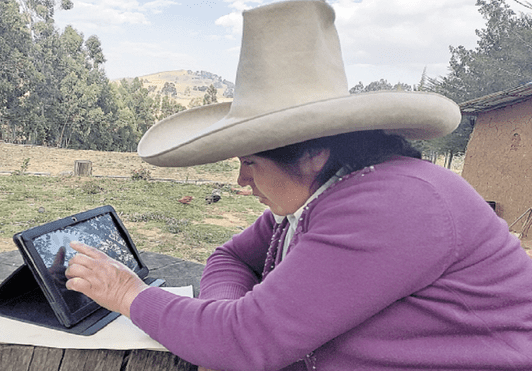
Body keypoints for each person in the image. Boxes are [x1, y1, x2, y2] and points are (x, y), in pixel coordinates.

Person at [64, 1, 532, 370]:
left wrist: (126, 293)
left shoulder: (393, 204)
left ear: (312, 153)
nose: (242, 181)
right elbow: (230, 260)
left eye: (250, 162)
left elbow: (242, 342)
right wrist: (232, 311)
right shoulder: (322, 198)